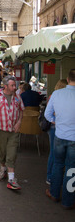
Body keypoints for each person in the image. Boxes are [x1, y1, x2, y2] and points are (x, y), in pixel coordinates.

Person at [45, 70, 75, 209]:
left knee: (58, 165)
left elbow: (47, 114)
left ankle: (54, 193)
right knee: (71, 169)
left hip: (60, 135)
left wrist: (56, 122)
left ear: (68, 79)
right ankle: (68, 201)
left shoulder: (57, 94)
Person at [0, 76, 24, 190]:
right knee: (1, 152)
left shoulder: (17, 96)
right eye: (12, 85)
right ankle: (3, 169)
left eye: (15, 85)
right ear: (6, 86)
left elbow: (21, 110)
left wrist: (19, 122)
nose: (15, 87)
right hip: (1, 130)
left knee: (12, 153)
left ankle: (11, 179)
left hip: (13, 131)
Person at [45, 79, 67, 185]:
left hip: (55, 127)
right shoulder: (61, 97)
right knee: (56, 153)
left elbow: (48, 113)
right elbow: (50, 113)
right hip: (57, 127)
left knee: (54, 153)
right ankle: (51, 176)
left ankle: (51, 176)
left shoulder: (53, 96)